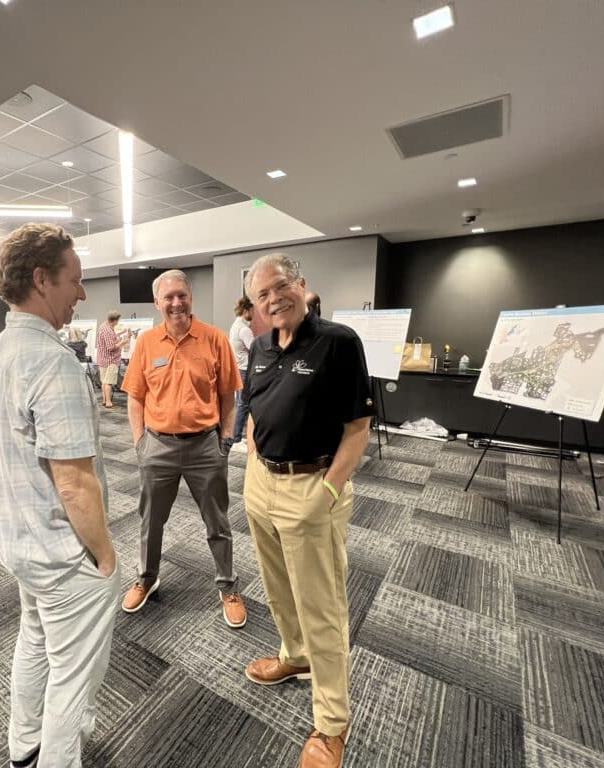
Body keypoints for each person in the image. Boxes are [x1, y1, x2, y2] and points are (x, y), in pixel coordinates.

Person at [0, 223, 119, 768]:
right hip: (60, 553)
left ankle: (23, 746)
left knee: (35, 640)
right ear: (41, 280)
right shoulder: (52, 361)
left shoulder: (0, 349)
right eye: (75, 281)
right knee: (74, 677)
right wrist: (105, 557)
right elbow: (74, 482)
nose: (82, 294)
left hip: (17, 540)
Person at [242, 253, 374, 768]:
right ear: (255, 305)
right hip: (262, 485)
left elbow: (357, 429)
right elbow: (253, 411)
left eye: (281, 287)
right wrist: (254, 462)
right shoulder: (257, 348)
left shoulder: (337, 343)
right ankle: (294, 657)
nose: (274, 299)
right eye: (262, 295)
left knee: (322, 608)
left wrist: (329, 493)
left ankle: (331, 724)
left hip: (313, 487)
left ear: (301, 284)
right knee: (278, 589)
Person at [119, 269, 247, 628]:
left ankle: (228, 586)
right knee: (150, 520)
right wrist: (139, 442)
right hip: (157, 446)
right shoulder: (145, 342)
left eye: (182, 295)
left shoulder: (214, 339)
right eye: (168, 297)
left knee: (217, 521)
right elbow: (135, 398)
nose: (176, 303)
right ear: (157, 303)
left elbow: (228, 396)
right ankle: (146, 578)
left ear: (191, 297)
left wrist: (225, 439)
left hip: (205, 446)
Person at [228, 295, 255, 443]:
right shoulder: (244, 329)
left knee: (241, 403)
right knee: (244, 404)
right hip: (245, 370)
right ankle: (236, 436)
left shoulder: (235, 326)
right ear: (246, 310)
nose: (254, 314)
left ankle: (239, 434)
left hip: (239, 369)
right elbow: (256, 350)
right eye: (252, 310)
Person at [95, 310, 131, 408]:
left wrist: (120, 333)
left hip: (103, 359)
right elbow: (111, 347)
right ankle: (108, 402)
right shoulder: (108, 330)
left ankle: (104, 400)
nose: (118, 322)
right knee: (109, 382)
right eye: (118, 320)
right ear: (115, 320)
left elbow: (111, 338)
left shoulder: (104, 326)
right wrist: (123, 342)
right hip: (110, 360)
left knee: (104, 381)